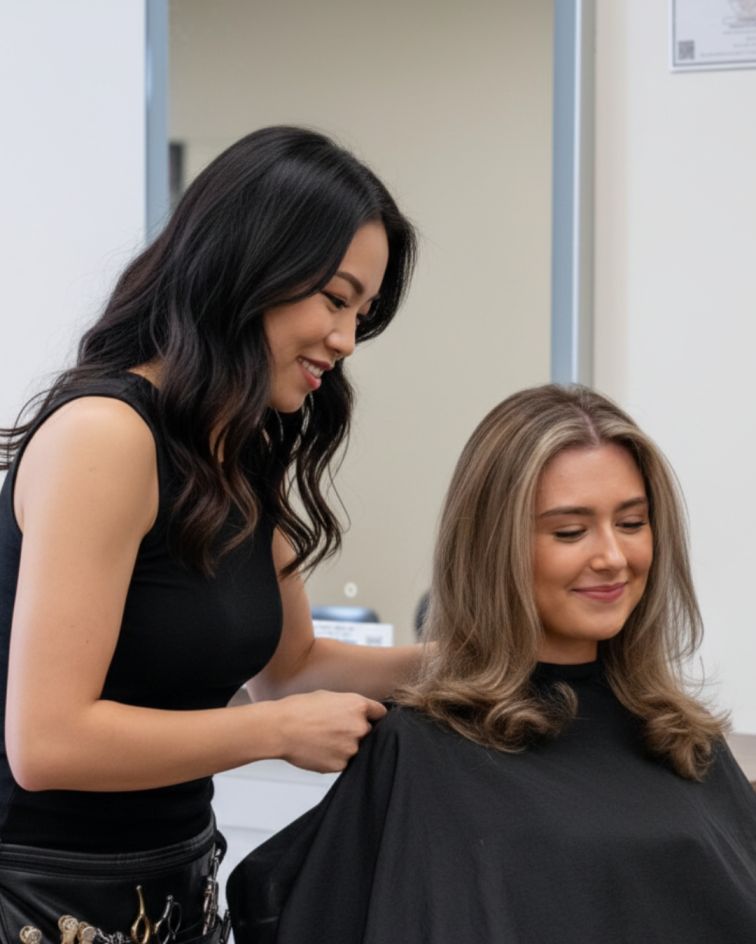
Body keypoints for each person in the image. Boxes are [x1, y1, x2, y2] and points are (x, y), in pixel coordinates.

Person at [0, 126, 421, 943]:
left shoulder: (241, 450)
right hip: (44, 902)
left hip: (173, 894)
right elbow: (47, 742)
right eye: (335, 300)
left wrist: (485, 658)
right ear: (251, 266)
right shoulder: (105, 437)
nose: (345, 340)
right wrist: (274, 735)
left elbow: (293, 671)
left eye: (361, 314)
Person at [227, 384, 756, 944]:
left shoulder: (684, 738)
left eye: (631, 523)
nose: (612, 557)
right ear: (494, 546)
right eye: (570, 532)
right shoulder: (424, 751)